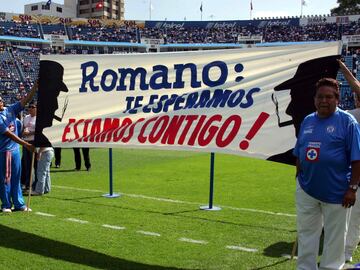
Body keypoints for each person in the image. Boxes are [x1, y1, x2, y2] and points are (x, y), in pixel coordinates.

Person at [293, 77, 360, 270]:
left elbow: (357, 159)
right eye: (320, 97)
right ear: (314, 99)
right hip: (307, 190)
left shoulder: (347, 122)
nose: (324, 100)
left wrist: (352, 188)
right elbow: (299, 152)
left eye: (329, 97)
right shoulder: (308, 120)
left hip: (338, 193)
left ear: (337, 99)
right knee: (306, 235)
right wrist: (299, 177)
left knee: (335, 240)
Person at [0, 81, 38, 212]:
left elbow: (25, 100)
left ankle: (19, 203)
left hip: (15, 150)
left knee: (17, 177)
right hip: (4, 151)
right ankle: (6, 204)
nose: (0, 101)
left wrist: (34, 87)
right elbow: (10, 134)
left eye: (0, 100)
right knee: (5, 178)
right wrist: (27, 144)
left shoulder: (10, 109)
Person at [338, 59, 360, 263]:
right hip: (353, 175)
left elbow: (357, 86)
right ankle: (345, 252)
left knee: (353, 220)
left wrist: (344, 69)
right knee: (351, 219)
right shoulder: (351, 115)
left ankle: (346, 251)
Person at [21, 101, 37, 189]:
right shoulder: (26, 117)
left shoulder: (39, 118)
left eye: (32, 107)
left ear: (36, 108)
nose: (30, 108)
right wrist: (24, 133)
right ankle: (27, 183)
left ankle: (34, 184)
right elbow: (23, 129)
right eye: (29, 107)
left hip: (34, 142)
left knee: (34, 164)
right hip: (25, 142)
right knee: (26, 164)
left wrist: (29, 133)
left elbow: (39, 130)